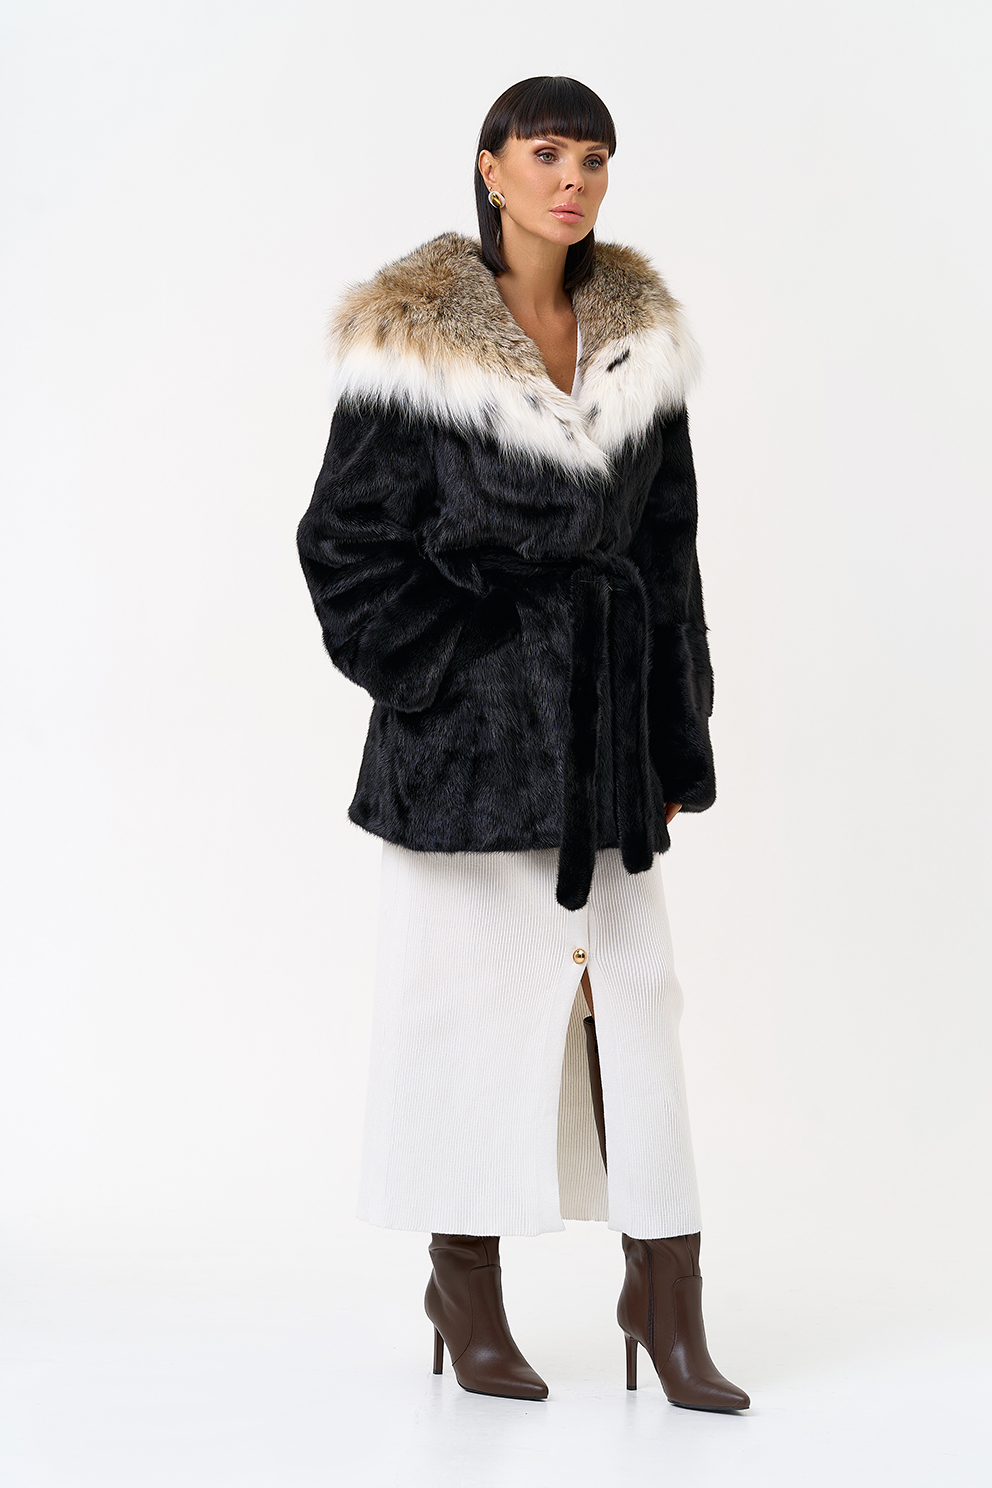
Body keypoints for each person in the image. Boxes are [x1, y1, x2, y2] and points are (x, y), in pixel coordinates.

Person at [296, 75, 749, 1412]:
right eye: (547, 153)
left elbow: (668, 559)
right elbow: (343, 547)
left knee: (641, 1010)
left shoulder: (642, 347)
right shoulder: (412, 346)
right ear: (491, 168)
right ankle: (465, 1286)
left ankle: (666, 1301)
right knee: (470, 1014)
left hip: (606, 747)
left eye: (595, 158)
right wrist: (454, 673)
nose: (574, 180)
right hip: (464, 753)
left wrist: (672, 745)